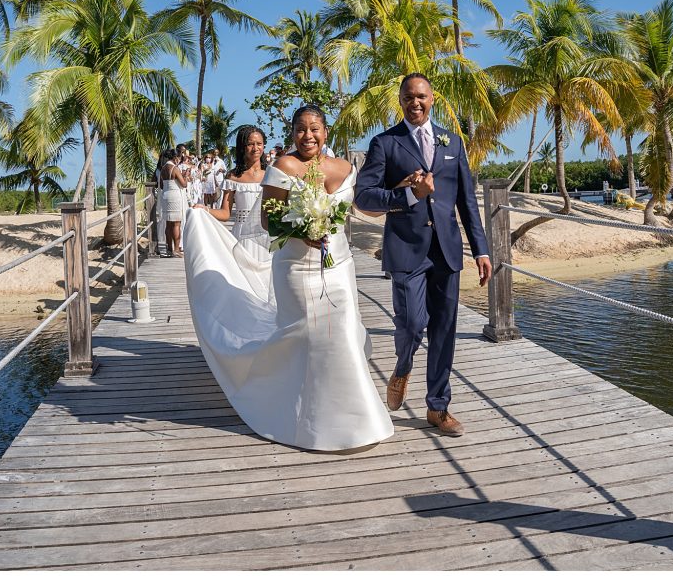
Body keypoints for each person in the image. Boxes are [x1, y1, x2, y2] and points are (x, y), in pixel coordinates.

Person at [184, 106, 394, 451]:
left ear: (326, 132)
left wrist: (406, 195)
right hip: (296, 269)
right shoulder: (283, 167)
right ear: (292, 133)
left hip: (339, 267)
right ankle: (299, 413)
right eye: (300, 130)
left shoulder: (345, 169)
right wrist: (302, 229)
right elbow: (269, 222)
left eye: (314, 129)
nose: (307, 136)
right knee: (305, 337)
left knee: (340, 333)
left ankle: (352, 419)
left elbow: (364, 208)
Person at [353, 73, 492, 436]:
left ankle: (438, 407)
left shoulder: (453, 142)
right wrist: (408, 195)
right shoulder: (385, 143)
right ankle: (402, 365)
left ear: (432, 99)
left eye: (422, 97)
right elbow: (364, 197)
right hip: (405, 249)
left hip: (446, 250)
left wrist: (481, 249)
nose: (415, 103)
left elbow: (466, 203)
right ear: (400, 101)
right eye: (408, 97)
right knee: (413, 324)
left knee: (445, 329)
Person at [192, 125, 271, 260]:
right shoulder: (233, 176)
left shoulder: (271, 174)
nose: (255, 148)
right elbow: (225, 213)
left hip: (266, 236)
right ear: (242, 147)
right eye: (250, 144)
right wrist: (205, 209)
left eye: (259, 144)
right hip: (241, 237)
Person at [160, 145, 189, 257]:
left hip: (166, 195)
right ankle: (176, 250)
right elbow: (184, 184)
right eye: (179, 157)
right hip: (175, 196)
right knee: (176, 224)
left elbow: (162, 185)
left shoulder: (163, 168)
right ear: (175, 157)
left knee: (168, 223)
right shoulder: (175, 168)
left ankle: (169, 249)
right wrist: (185, 176)